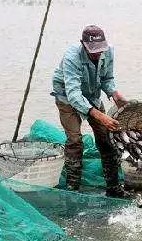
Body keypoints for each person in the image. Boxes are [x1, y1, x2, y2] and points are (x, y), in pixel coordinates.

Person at [51, 25, 127, 197]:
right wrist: (99, 114)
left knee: (106, 138)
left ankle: (113, 187)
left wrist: (113, 93)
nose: (97, 54)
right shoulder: (72, 57)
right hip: (66, 96)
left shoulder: (108, 52)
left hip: (92, 94)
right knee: (75, 140)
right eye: (93, 50)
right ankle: (73, 189)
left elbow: (107, 78)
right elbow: (74, 94)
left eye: (100, 50)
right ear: (83, 44)